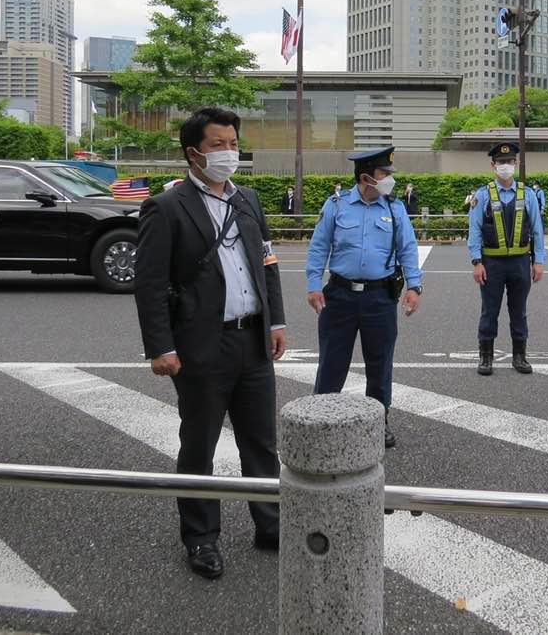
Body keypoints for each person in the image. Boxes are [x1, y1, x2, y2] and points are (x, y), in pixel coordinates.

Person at [134, 107, 286, 580]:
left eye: (232, 143)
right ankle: (201, 538)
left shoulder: (248, 200)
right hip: (201, 347)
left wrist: (275, 321)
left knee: (260, 442)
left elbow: (267, 263)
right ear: (193, 153)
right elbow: (150, 282)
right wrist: (161, 346)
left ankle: (271, 523)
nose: (228, 152)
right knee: (198, 445)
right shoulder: (167, 207)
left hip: (252, 342)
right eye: (217, 144)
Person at [306, 146, 423, 448]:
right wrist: (313, 284)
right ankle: (323, 419)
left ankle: (378, 421)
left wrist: (414, 286)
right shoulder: (337, 205)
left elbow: (408, 248)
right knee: (332, 361)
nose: (390, 180)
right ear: (365, 177)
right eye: (384, 174)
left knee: (380, 363)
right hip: (340, 296)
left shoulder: (395, 209)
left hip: (379, 297)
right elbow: (319, 247)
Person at [468, 142, 546, 376]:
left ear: (516, 163)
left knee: (518, 311)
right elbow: (475, 230)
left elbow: (537, 230)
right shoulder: (482, 195)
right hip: (491, 264)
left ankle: (520, 356)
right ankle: (486, 357)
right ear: (493, 165)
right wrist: (476, 261)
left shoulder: (527, 194)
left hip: (520, 263)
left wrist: (539, 260)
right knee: (489, 311)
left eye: (509, 162)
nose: (506, 166)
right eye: (501, 162)